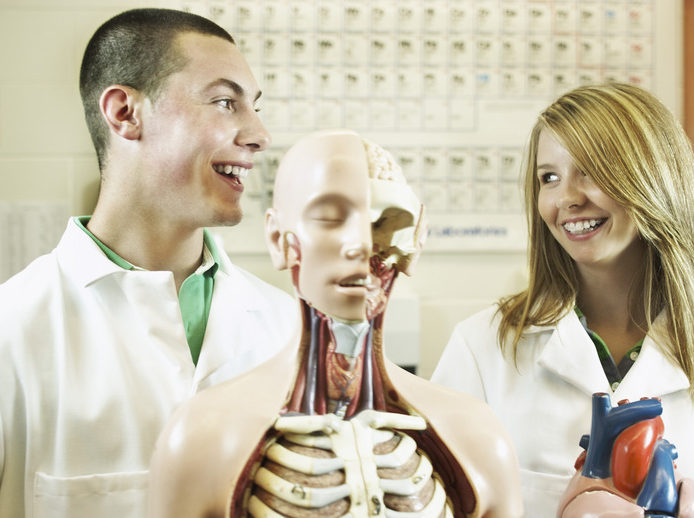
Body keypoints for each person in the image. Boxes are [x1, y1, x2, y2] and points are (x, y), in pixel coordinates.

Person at [0, 8, 297, 518]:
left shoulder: (292, 332)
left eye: (254, 107)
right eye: (226, 102)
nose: (259, 134)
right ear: (125, 113)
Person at [147, 129, 523, 518]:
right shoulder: (202, 438)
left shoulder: (477, 436)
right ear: (279, 239)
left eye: (386, 222)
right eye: (330, 217)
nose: (360, 244)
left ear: (415, 240)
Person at [431, 82, 694, 517]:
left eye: (591, 170)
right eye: (549, 177)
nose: (567, 198)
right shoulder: (483, 347)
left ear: (655, 178)